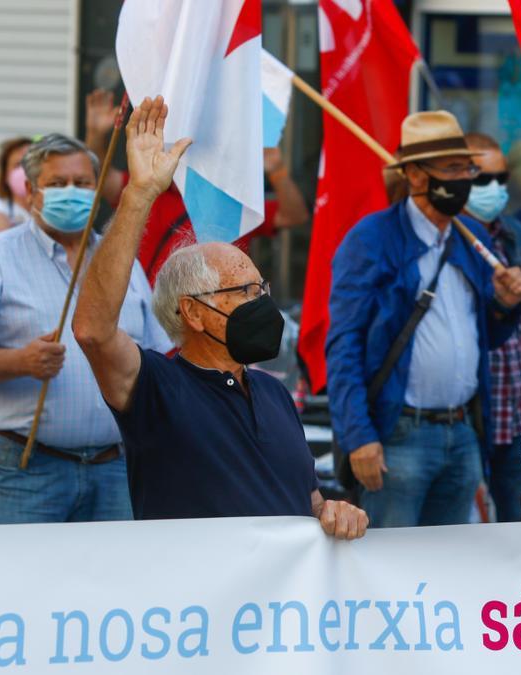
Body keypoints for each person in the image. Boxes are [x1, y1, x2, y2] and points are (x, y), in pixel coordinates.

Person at [72, 96, 367, 539]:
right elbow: (93, 332)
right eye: (244, 292)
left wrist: (336, 512)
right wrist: (139, 195)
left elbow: (306, 498)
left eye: (261, 289)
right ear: (192, 311)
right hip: (196, 604)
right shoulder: (155, 387)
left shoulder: (272, 392)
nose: (260, 303)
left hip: (279, 606)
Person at [325, 111, 521, 528]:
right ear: (416, 176)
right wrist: (359, 436)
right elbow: (343, 344)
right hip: (398, 435)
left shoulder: (469, 238)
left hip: (462, 432)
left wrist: (504, 305)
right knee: (388, 569)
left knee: (449, 571)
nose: (465, 179)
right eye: (453, 169)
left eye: (467, 167)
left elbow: (483, 336)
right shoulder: (371, 239)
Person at [0, 133, 171, 524]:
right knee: (25, 583)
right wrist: (20, 362)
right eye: (57, 184)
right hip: (25, 470)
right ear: (32, 193)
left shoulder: (119, 263)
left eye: (83, 183)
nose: (72, 192)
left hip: (116, 468)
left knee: (115, 583)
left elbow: (158, 357)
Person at [84, 89, 310, 282]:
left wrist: (277, 169)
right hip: (152, 320)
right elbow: (101, 179)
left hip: (216, 319)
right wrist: (95, 135)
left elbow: (294, 216)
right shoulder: (151, 189)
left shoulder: (231, 201)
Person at [461, 132, 521, 522]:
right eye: (482, 180)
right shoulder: (449, 235)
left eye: (500, 179)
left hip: (515, 406)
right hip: (468, 408)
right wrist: (500, 302)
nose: (494, 190)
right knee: (460, 533)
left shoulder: (514, 233)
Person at [0, 137, 33, 237]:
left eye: (30, 164)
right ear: (5, 175)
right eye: (18, 164)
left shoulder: (48, 212)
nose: (25, 170)